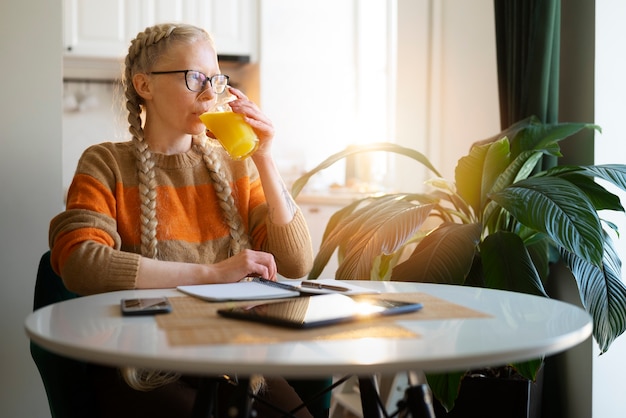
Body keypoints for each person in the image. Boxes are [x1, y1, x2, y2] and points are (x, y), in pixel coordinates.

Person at [49, 22, 319, 418]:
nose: (211, 93)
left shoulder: (236, 165)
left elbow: (294, 263)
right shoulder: (104, 162)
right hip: (137, 364)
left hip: (232, 356)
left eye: (215, 78)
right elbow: (81, 263)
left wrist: (264, 157)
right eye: (195, 78)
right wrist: (212, 275)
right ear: (145, 85)